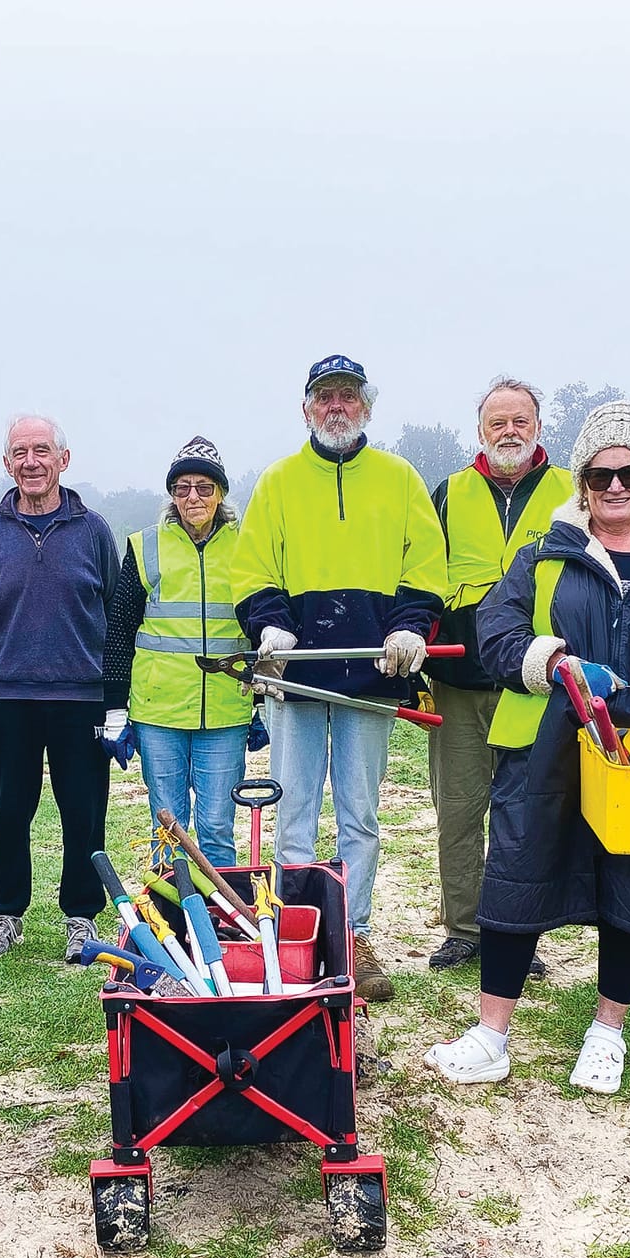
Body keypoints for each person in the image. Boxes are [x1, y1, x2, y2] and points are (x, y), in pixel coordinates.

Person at [425, 401, 630, 1091]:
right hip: (549, 749)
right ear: (582, 480)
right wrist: (555, 663)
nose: (615, 486)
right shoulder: (543, 556)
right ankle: (491, 1035)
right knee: (518, 878)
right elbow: (497, 634)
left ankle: (607, 1034)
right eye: (600, 474)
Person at [229, 355, 448, 1001]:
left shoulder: (399, 479)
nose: (336, 406)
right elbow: (253, 568)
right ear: (306, 409)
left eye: (347, 396)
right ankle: (298, 931)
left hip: (372, 674)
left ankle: (354, 934)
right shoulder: (278, 482)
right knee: (294, 811)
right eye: (324, 396)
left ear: (366, 407)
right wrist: (270, 627)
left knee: (360, 815)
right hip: (298, 676)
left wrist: (410, 627)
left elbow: (425, 565)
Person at [424, 376, 575, 973]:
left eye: (520, 421)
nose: (509, 432)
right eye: (497, 423)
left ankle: (517, 930)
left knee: (528, 816)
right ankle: (464, 929)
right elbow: (423, 576)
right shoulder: (448, 492)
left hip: (536, 684)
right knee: (459, 812)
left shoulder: (571, 491)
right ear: (480, 430)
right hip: (459, 681)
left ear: (538, 426)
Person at [0, 413, 120, 965]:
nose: (31, 462)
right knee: (9, 810)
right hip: (9, 695)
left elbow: (110, 607)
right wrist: (15, 656)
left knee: (84, 812)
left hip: (81, 696)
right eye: (20, 453)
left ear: (63, 459)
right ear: (7, 463)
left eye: (42, 451)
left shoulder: (93, 531)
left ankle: (82, 916)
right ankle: (7, 914)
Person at [101, 436, 251, 867]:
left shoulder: (247, 545)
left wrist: (261, 703)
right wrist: (115, 711)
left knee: (217, 827)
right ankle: (171, 908)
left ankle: (220, 910)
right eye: (182, 487)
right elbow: (120, 631)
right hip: (159, 713)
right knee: (167, 829)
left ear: (220, 493)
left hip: (226, 712)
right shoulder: (145, 546)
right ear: (171, 494)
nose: (193, 497)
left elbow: (260, 628)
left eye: (204, 487)